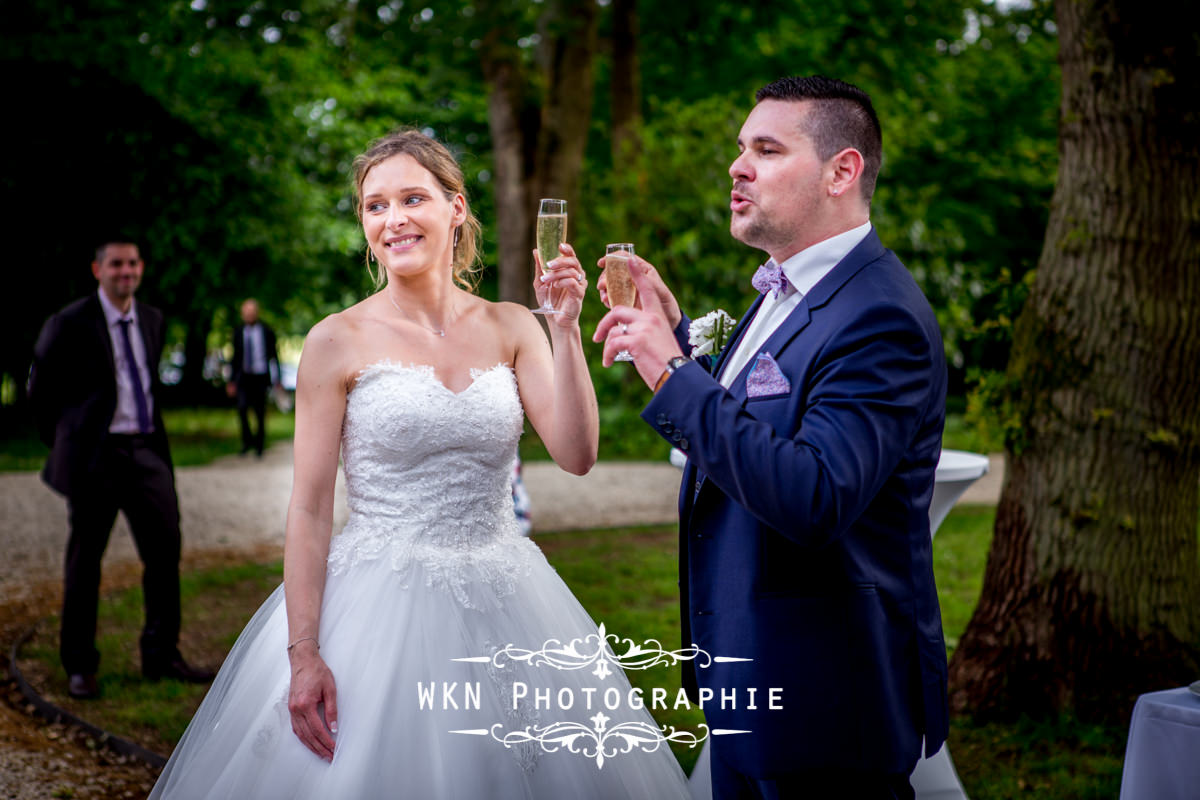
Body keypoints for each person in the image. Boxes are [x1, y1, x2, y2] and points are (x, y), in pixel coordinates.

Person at [149, 130, 691, 799]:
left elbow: (577, 456)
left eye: (412, 197)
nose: (393, 218)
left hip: (508, 589)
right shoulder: (334, 340)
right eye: (375, 206)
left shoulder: (513, 325)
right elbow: (311, 507)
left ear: (456, 208)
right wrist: (304, 652)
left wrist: (564, 328)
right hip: (375, 609)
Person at [595, 76, 949, 799]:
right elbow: (760, 412)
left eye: (765, 149)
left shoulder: (881, 317)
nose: (737, 166)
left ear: (840, 172)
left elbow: (813, 493)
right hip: (749, 677)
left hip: (824, 700)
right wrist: (682, 343)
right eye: (739, 149)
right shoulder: (789, 289)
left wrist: (667, 368)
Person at [28, 240, 215, 700]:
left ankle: (160, 654)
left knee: (165, 550)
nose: (125, 271)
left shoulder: (151, 319)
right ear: (97, 269)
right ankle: (79, 665)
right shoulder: (68, 322)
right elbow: (40, 393)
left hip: (147, 452)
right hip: (96, 457)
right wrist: (67, 444)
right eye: (116, 263)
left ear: (141, 267)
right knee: (85, 561)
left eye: (132, 263)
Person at [227, 298, 281, 457]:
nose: (249, 315)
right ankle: (246, 442)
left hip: (260, 376)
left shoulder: (267, 331)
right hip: (243, 377)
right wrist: (231, 380)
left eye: (252, 312)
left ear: (257, 313)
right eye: (246, 312)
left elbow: (274, 356)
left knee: (259, 411)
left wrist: (277, 379)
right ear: (242, 314)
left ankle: (259, 446)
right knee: (242, 408)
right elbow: (234, 357)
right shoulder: (238, 331)